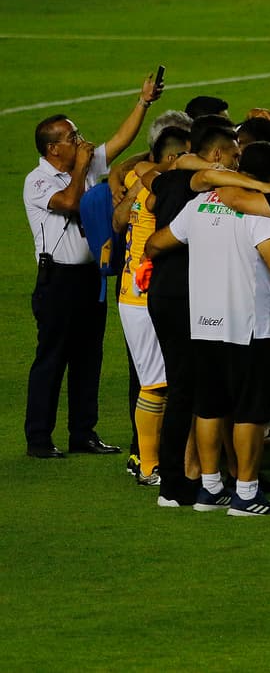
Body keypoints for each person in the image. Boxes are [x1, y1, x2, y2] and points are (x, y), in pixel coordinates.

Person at [146, 143, 270, 517]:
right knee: (249, 410)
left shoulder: (198, 204)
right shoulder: (259, 211)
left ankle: (210, 489)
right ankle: (247, 494)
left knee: (209, 405)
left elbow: (156, 243)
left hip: (203, 321)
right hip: (249, 324)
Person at [23, 74, 158, 459]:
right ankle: (38, 438)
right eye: (71, 136)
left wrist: (143, 102)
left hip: (89, 278)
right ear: (52, 148)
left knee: (89, 356)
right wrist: (83, 167)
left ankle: (83, 432)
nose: (81, 141)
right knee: (52, 358)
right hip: (57, 281)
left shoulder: (82, 164)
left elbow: (120, 141)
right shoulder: (38, 180)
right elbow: (69, 203)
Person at [113, 125, 190, 484]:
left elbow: (119, 215)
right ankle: (147, 465)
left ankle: (153, 460)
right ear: (174, 159)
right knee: (155, 383)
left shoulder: (137, 178)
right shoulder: (158, 191)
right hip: (142, 295)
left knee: (159, 381)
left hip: (136, 291)